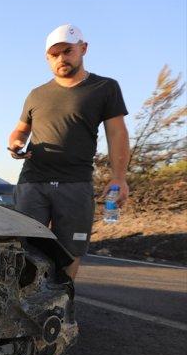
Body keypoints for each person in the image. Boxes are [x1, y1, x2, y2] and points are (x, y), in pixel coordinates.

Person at [8, 24, 130, 279]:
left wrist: (119, 178)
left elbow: (117, 133)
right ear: (47, 58)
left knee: (69, 250)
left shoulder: (104, 88)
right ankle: (27, 310)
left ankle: (63, 312)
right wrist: (15, 144)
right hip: (33, 182)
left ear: (83, 49)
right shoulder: (36, 95)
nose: (61, 58)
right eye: (54, 54)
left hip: (75, 183)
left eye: (67, 51)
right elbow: (19, 131)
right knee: (25, 249)